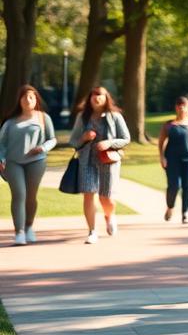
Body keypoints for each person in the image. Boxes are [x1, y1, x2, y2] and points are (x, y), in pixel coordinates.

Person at [68, 86, 130, 245]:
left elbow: (126, 138)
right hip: (87, 161)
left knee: (106, 197)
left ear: (106, 97)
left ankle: (110, 215)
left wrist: (109, 143)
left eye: (100, 95)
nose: (97, 98)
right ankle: (92, 231)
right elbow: (73, 141)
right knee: (89, 194)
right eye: (93, 95)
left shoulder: (115, 116)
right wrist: (84, 137)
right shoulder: (82, 117)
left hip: (108, 160)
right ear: (89, 99)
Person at [0, 86, 57, 245]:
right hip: (13, 162)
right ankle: (19, 232)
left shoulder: (43, 118)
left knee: (31, 196)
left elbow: (52, 139)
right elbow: (2, 144)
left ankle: (29, 227)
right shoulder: (10, 121)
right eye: (24, 97)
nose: (27, 100)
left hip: (36, 162)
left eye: (31, 97)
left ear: (36, 100)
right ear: (19, 101)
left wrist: (43, 148)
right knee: (19, 194)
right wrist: (1, 159)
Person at [157, 96, 188, 223]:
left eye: (185, 106)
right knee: (173, 186)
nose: (182, 108)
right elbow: (161, 141)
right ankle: (170, 207)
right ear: (176, 108)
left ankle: (185, 213)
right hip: (172, 159)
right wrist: (162, 157)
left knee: (187, 185)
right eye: (179, 105)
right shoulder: (169, 125)